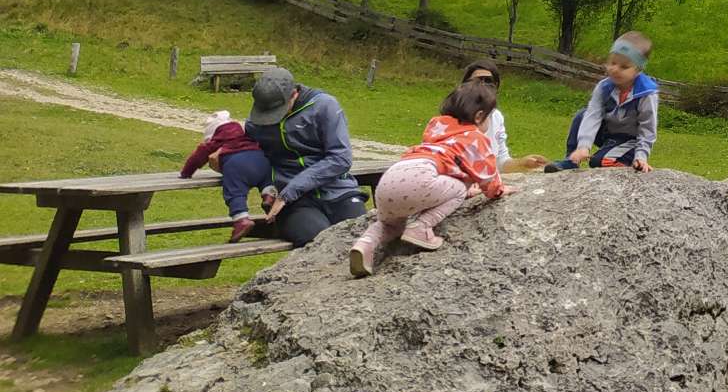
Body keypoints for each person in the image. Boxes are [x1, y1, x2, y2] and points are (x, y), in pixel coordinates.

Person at [349, 80, 513, 277]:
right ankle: (421, 227)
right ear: (479, 116)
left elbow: (447, 168)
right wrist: (499, 191)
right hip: (419, 181)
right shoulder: (474, 137)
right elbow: (487, 175)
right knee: (459, 190)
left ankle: (364, 244)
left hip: (389, 180)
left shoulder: (438, 131)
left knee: (390, 224)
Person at [244, 67, 368, 246]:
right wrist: (222, 158)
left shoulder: (324, 106)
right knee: (318, 242)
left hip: (338, 191)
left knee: (361, 239)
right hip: (294, 204)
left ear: (294, 94)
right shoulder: (256, 124)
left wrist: (292, 189)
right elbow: (245, 153)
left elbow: (341, 158)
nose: (271, 119)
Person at [545, 32, 659, 171]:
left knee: (597, 162)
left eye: (624, 67)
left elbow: (647, 129)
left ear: (638, 70)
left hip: (630, 141)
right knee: (582, 115)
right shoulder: (604, 87)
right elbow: (593, 114)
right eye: (612, 63)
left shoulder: (646, 93)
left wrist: (641, 156)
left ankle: (629, 164)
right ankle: (572, 160)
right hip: (608, 134)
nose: (615, 69)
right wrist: (583, 146)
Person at [178, 109, 271, 242]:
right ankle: (269, 195)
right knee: (266, 180)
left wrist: (185, 173)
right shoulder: (245, 135)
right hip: (260, 158)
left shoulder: (216, 141)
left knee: (235, 191)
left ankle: (241, 220)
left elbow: (197, 158)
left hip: (236, 164)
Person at [459, 59, 547, 173]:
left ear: (496, 87)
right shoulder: (455, 116)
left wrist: (523, 163)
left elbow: (501, 162)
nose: (483, 85)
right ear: (465, 85)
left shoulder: (496, 117)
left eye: (488, 81)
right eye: (477, 81)